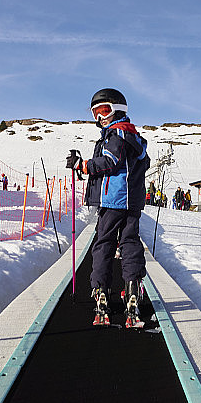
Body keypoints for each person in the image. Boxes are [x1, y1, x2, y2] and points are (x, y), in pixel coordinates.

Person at [66, 88, 150, 328]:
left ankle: (101, 291)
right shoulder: (135, 137)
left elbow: (110, 162)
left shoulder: (115, 135)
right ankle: (132, 287)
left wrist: (83, 165)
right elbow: (143, 163)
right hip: (132, 203)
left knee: (104, 242)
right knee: (130, 242)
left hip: (113, 201)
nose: (100, 117)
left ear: (119, 110)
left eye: (105, 110)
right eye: (96, 112)